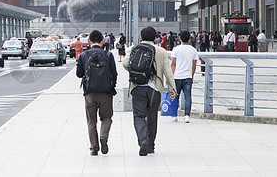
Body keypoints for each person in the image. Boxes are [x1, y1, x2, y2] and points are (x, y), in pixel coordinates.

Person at [123, 27, 176, 156]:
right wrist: (172, 89)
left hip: (138, 87)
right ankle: (150, 145)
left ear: (141, 37)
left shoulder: (134, 49)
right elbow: (167, 71)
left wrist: (136, 71)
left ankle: (143, 141)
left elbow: (125, 63)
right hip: (155, 88)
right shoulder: (161, 51)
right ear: (155, 38)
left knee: (139, 116)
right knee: (152, 116)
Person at [76, 30, 118, 156]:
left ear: (89, 41)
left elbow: (79, 73)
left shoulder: (84, 55)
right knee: (106, 118)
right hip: (106, 92)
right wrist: (111, 86)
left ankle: (94, 148)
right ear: (102, 41)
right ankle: (103, 136)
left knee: (91, 121)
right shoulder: (108, 55)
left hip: (89, 93)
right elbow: (114, 73)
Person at [170, 30, 199, 123]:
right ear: (189, 39)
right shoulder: (193, 50)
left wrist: (170, 77)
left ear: (180, 38)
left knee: (175, 96)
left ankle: (174, 115)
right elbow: (194, 65)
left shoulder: (176, 49)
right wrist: (192, 75)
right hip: (188, 76)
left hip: (177, 76)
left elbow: (173, 64)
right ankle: (187, 116)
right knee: (188, 96)